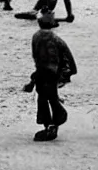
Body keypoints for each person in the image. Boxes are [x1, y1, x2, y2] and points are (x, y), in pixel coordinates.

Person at [28, 8, 76, 141]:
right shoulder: (55, 39)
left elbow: (35, 56)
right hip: (52, 72)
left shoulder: (36, 37)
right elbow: (66, 53)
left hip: (41, 72)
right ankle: (55, 123)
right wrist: (71, 70)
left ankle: (48, 125)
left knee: (42, 99)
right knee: (52, 97)